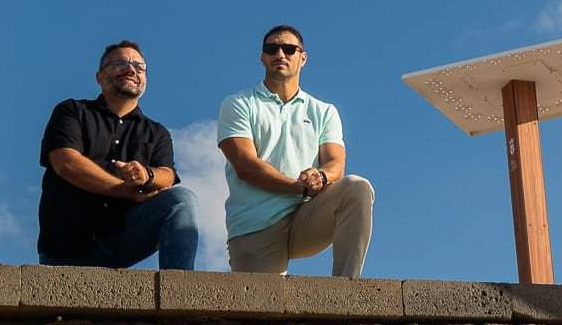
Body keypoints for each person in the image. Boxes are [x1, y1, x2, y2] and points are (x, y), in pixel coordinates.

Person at [218, 24, 374, 277]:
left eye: (289, 49)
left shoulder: (324, 111)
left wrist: (320, 177)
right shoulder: (238, 103)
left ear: (303, 58)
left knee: (357, 187)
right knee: (262, 314)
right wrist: (298, 186)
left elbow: (335, 163)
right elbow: (246, 165)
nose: (280, 54)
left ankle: (348, 294)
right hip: (255, 225)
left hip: (307, 216)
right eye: (272, 49)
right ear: (262, 57)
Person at [38, 41, 199, 269]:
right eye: (121, 63)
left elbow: (168, 176)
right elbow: (66, 162)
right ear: (99, 76)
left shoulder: (157, 132)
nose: (131, 70)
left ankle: (179, 293)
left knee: (182, 199)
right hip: (64, 250)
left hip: (120, 242)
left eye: (139, 67)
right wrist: (126, 191)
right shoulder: (72, 111)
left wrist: (147, 175)